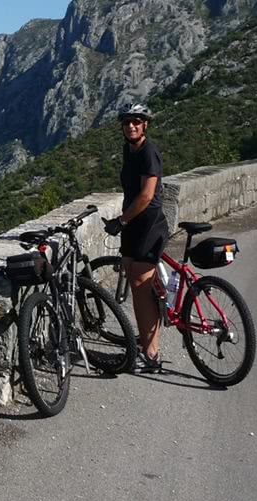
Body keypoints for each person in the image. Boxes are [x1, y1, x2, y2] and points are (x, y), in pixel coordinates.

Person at [103, 103, 169, 373]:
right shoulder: (128, 150)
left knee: (141, 286)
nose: (131, 126)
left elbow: (146, 195)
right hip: (132, 223)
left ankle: (151, 356)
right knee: (133, 276)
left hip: (148, 224)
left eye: (136, 121)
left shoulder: (148, 152)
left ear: (145, 125)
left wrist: (121, 221)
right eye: (127, 122)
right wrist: (125, 221)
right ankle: (146, 338)